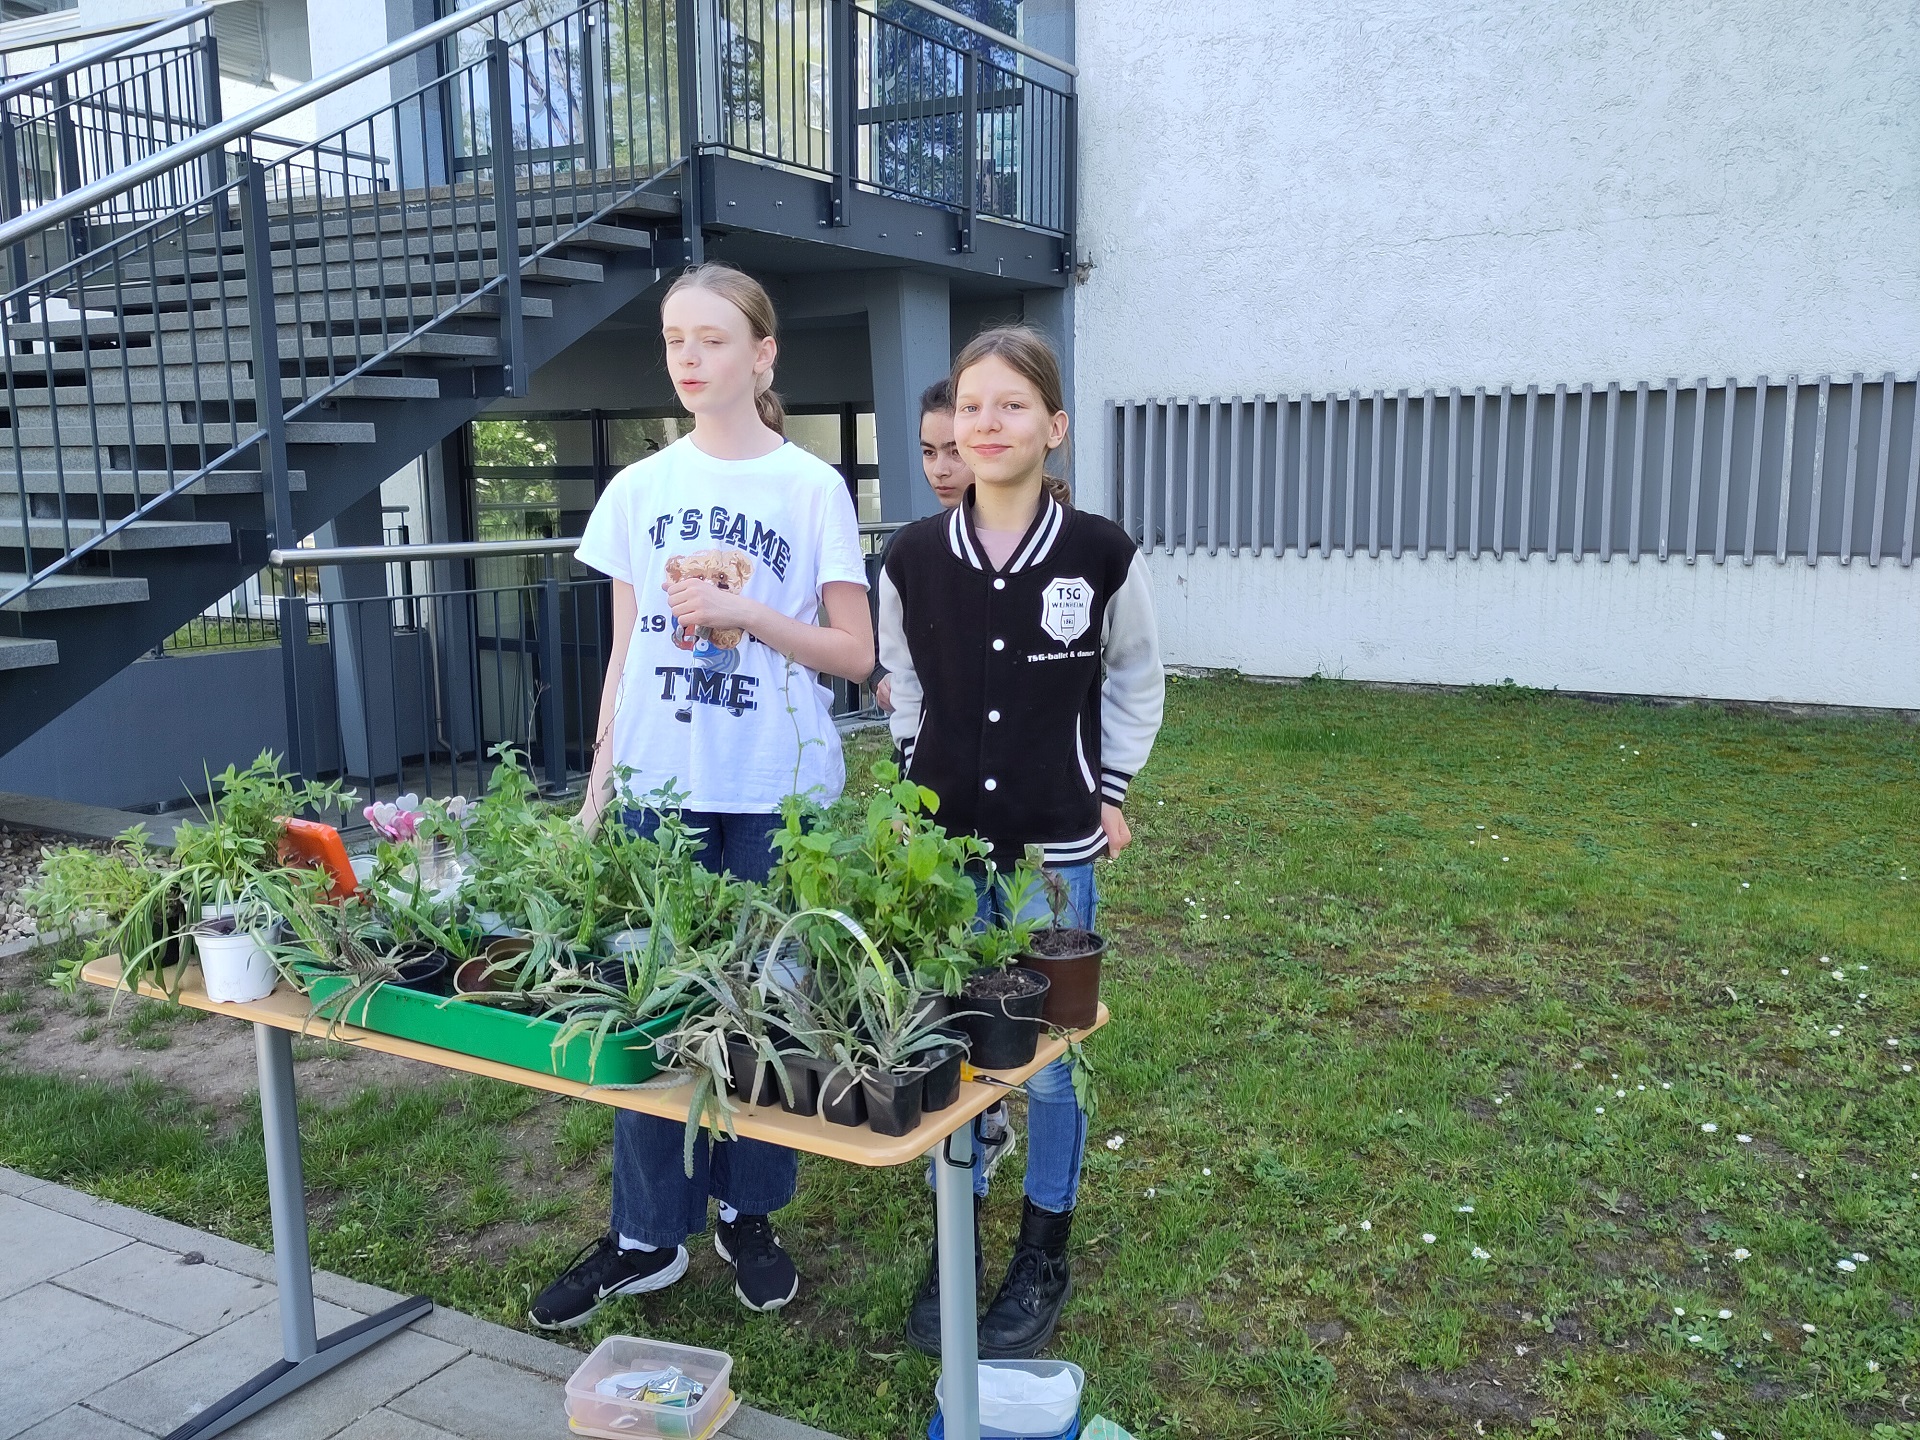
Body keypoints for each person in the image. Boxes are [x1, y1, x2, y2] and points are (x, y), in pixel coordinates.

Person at [530, 263, 875, 1328]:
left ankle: (750, 1212)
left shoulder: (810, 488)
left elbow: (855, 654)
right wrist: (597, 787)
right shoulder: (639, 491)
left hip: (776, 792)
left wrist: (746, 610)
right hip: (660, 791)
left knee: (765, 1005)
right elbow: (626, 647)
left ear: (763, 356)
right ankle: (645, 1234)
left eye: (713, 339)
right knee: (650, 1005)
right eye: (675, 337)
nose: (688, 356)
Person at [876, 325, 1165, 1358]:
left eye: (1009, 405)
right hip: (952, 846)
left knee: (1047, 1055)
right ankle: (961, 1221)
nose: (983, 422)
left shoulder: (1099, 554)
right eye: (967, 404)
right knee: (957, 1028)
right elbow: (900, 680)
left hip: (1057, 847)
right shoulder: (910, 557)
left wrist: (1110, 788)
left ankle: (1045, 1243)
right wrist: (920, 780)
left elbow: (1133, 677)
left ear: (1054, 427)